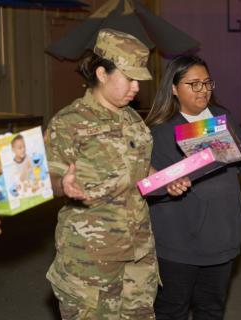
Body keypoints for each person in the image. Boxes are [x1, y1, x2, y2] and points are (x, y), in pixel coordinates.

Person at [45, 28, 170, 319]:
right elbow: (46, 179)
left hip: (138, 253)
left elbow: (139, 169)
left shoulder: (132, 118)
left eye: (139, 80)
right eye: (129, 79)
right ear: (102, 74)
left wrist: (167, 180)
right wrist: (62, 184)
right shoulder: (69, 122)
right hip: (91, 260)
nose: (136, 88)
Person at [145, 55, 241, 320]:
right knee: (171, 311)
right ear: (174, 89)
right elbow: (151, 186)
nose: (203, 90)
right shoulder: (159, 131)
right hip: (180, 242)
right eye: (194, 84)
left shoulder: (222, 117)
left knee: (212, 310)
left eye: (207, 82)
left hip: (222, 234)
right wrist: (168, 186)